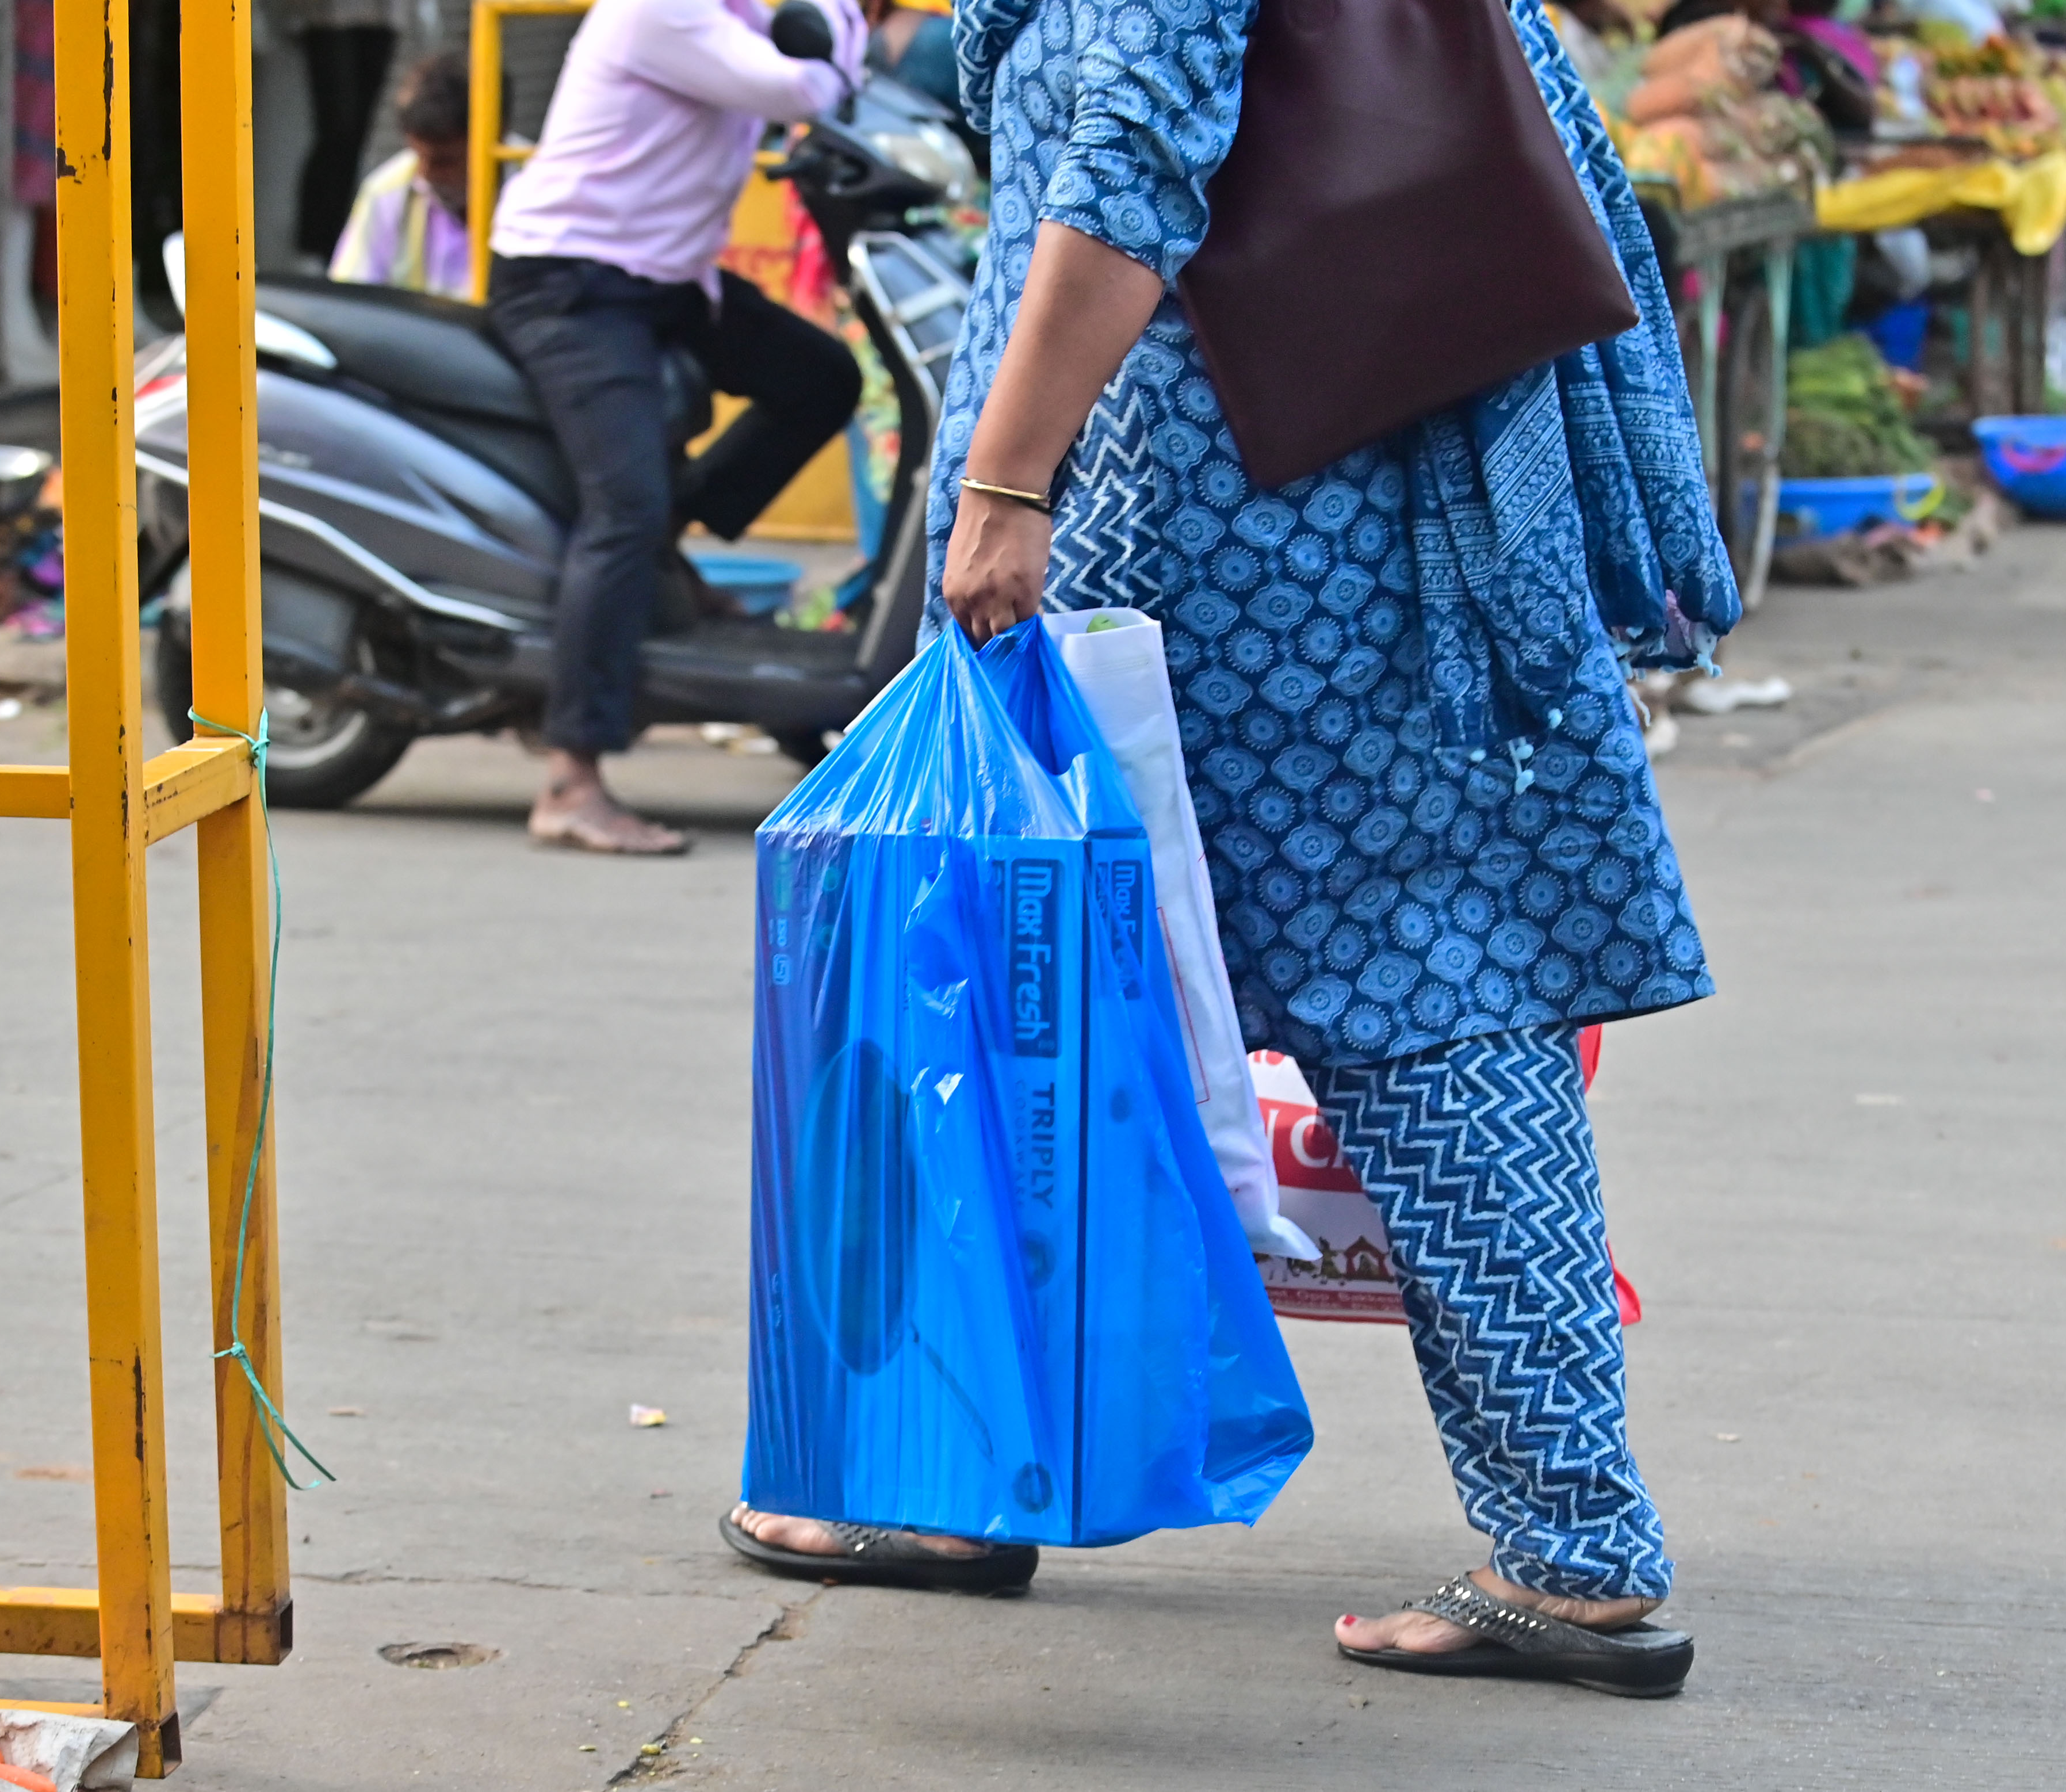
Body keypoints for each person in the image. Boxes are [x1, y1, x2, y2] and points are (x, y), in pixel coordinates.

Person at [740, 0, 1739, 1695]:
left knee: (1333, 986)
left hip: (1233, 525)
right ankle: (986, 1462)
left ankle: (1563, 1545)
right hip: (1238, 509)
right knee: (1106, 984)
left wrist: (1003, 481)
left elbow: (1134, 168)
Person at [487, 0, 869, 855]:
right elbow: (795, 88)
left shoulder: (742, 13)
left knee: (822, 378)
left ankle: (669, 541)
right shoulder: (664, 10)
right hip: (571, 281)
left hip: (666, 283)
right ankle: (569, 778)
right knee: (621, 507)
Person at [330, 52, 475, 299]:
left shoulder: (535, 188)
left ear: (495, 136)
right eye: (419, 157)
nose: (427, 175)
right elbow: (352, 300)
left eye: (445, 161)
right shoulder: (387, 190)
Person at [276, 0, 404, 270]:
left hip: (381, 15)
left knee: (355, 139)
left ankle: (338, 246)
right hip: (328, 15)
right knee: (338, 133)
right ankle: (315, 245)